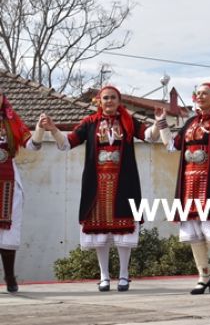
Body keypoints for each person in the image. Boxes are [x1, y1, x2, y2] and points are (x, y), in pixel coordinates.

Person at [41, 86, 160, 292]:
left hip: (124, 182)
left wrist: (159, 123)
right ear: (99, 101)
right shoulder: (90, 123)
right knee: (100, 232)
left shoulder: (129, 121)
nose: (109, 101)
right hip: (97, 184)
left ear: (119, 100)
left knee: (124, 231)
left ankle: (124, 275)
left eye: (113, 97)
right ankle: (104, 276)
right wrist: (53, 129)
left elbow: (150, 136)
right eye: (106, 98)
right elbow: (67, 144)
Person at [154, 82, 210, 295]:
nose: (200, 96)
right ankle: (203, 276)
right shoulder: (190, 122)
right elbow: (171, 146)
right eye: (198, 93)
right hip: (189, 182)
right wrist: (161, 124)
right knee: (192, 231)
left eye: (206, 93)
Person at [0, 89, 43, 293]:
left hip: (8, 181)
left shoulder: (12, 121)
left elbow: (31, 145)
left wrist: (39, 130)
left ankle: (9, 276)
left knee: (9, 229)